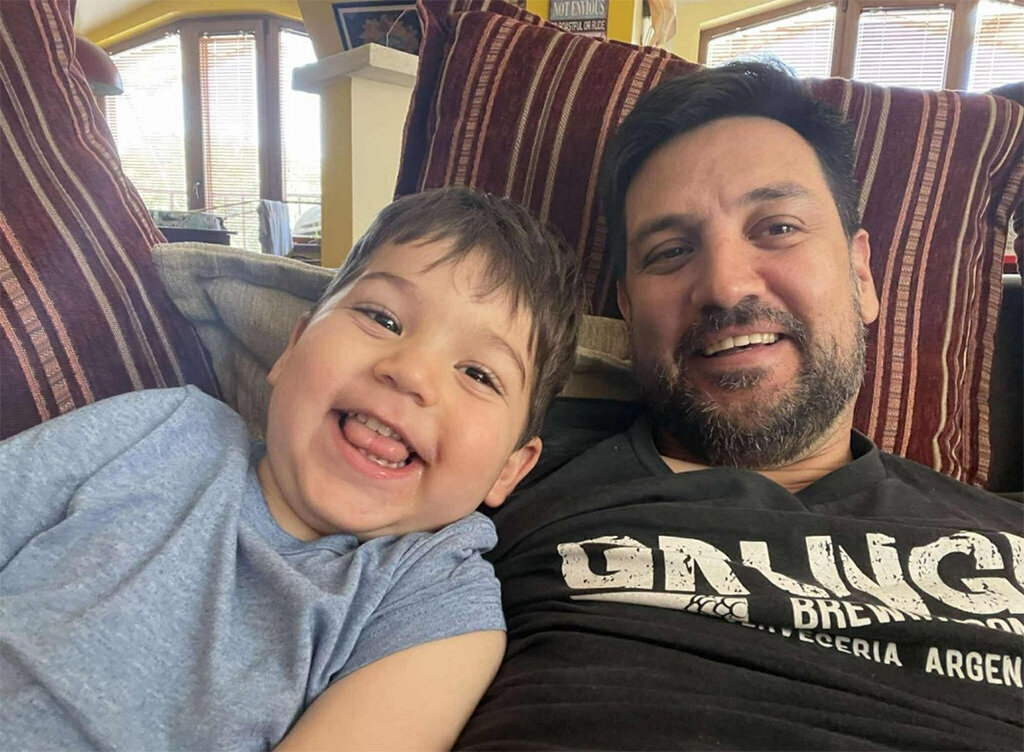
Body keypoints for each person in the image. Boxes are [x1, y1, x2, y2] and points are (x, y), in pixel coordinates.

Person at [455, 62, 1023, 750]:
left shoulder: (1008, 534)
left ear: (862, 275)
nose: (724, 286)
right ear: (627, 308)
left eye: (777, 227)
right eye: (670, 251)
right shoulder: (498, 468)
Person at [0, 187, 585, 751]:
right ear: (292, 347)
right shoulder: (157, 428)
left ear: (510, 469)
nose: (410, 372)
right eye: (382, 318)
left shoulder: (433, 599)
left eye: (479, 374)